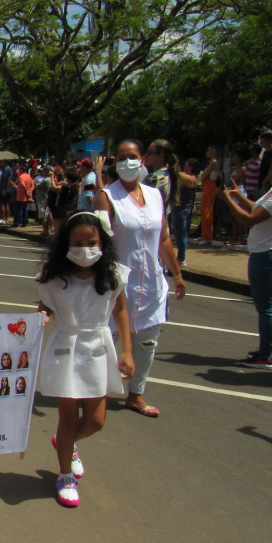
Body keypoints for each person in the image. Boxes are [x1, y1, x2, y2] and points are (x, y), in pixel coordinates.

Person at [36, 211, 135, 507]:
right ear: (65, 243)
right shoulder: (54, 279)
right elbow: (45, 308)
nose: (84, 248)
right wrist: (39, 319)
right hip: (66, 347)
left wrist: (127, 350)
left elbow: (120, 310)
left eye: (91, 242)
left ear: (102, 241)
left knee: (96, 420)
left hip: (98, 347)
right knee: (67, 418)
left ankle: (66, 443)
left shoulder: (113, 275)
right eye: (76, 242)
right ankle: (65, 473)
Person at [94, 140, 186, 418]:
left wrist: (177, 274)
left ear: (142, 159)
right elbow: (98, 242)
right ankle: (93, 393)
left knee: (147, 343)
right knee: (104, 341)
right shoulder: (107, 197)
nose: (127, 162)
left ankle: (135, 393)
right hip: (117, 284)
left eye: (132, 156)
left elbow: (164, 238)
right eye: (121, 158)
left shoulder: (155, 195)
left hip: (152, 283)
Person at [219, 152, 272, 370]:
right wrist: (238, 196)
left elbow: (248, 219)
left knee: (266, 307)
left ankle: (267, 354)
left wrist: (227, 199)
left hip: (267, 253)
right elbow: (258, 208)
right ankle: (269, 351)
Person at [170, 158, 200, 267]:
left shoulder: (191, 178)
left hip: (182, 210)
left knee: (180, 235)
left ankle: (181, 259)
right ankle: (180, 257)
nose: (184, 166)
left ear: (191, 167)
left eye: (186, 164)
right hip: (180, 209)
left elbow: (177, 173)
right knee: (179, 234)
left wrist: (172, 166)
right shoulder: (187, 178)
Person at [196, 146, 221, 245]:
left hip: (209, 185)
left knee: (206, 211)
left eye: (208, 150)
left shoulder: (213, 162)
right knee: (204, 210)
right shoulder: (214, 162)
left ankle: (207, 236)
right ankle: (204, 234)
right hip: (208, 185)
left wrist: (201, 177)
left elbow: (203, 175)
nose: (206, 152)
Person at [13, 162, 34, 227]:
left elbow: (23, 185)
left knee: (18, 210)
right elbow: (33, 185)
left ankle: (17, 223)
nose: (18, 171)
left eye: (19, 170)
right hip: (26, 197)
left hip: (21, 197)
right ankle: (25, 222)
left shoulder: (21, 177)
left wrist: (26, 192)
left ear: (21, 170)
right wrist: (29, 192)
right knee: (25, 210)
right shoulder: (28, 176)